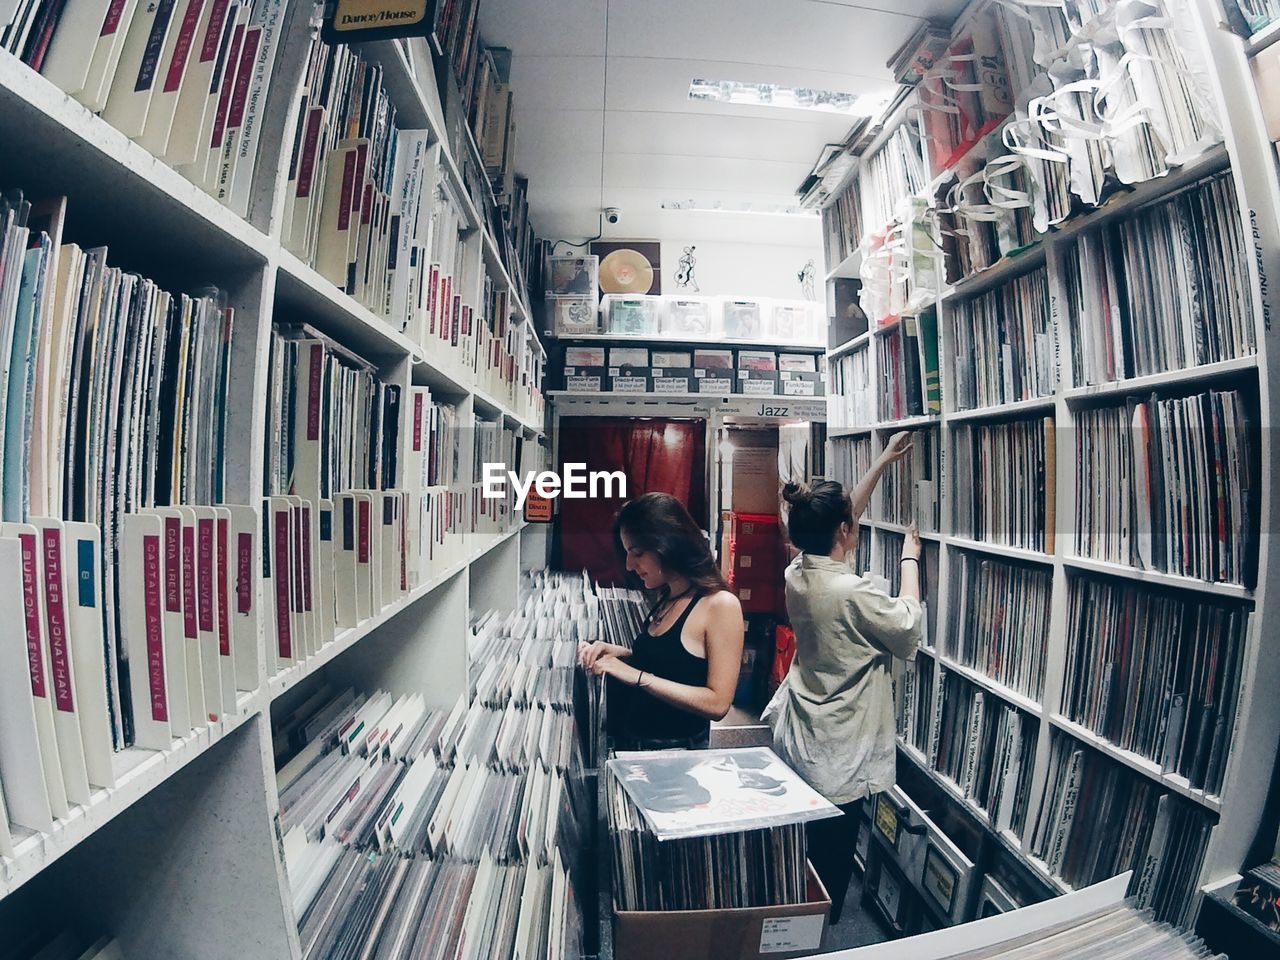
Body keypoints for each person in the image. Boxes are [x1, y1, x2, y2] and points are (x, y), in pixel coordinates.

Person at [763, 431, 924, 923]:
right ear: (844, 532)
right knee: (832, 849)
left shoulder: (799, 573)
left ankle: (791, 911)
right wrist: (910, 557)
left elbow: (832, 521)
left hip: (804, 727)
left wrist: (880, 462)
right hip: (841, 741)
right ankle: (815, 931)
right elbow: (908, 623)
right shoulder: (853, 592)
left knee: (802, 840)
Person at [579, 492, 745, 751]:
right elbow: (673, 665)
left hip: (677, 759)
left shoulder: (720, 605)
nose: (630, 564)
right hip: (636, 751)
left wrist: (636, 676)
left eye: (638, 552)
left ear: (668, 543)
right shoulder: (667, 595)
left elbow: (718, 703)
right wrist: (618, 656)